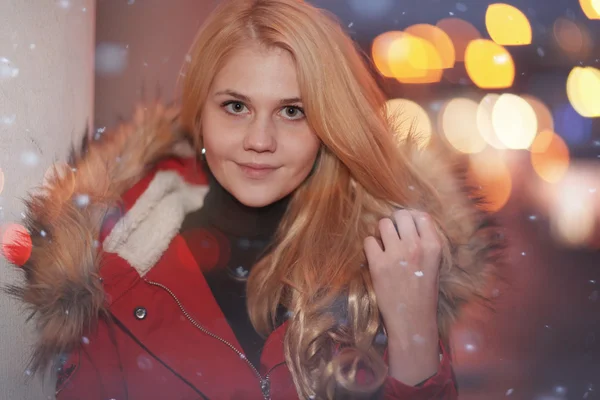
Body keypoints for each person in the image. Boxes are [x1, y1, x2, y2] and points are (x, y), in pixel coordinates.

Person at [4, 0, 504, 398]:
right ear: (200, 114)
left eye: (292, 111)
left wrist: (414, 326)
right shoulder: (108, 258)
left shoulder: (387, 263)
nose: (259, 140)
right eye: (236, 106)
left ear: (329, 128)